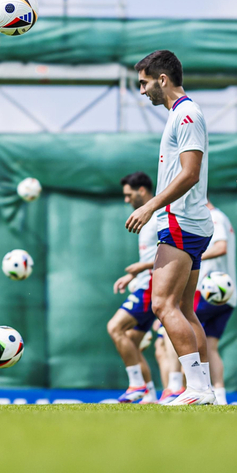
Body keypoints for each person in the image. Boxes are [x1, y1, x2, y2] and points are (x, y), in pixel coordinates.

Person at [124, 50, 215, 406]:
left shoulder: (187, 114)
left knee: (162, 304)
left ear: (162, 79)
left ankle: (197, 388)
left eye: (144, 83)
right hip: (187, 221)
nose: (142, 91)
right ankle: (204, 388)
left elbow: (190, 174)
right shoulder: (180, 114)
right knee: (184, 309)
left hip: (181, 221)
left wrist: (150, 205)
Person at [106, 172, 159, 404]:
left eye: (129, 195)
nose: (126, 200)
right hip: (145, 283)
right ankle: (150, 394)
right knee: (131, 341)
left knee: (115, 327)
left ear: (142, 191)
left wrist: (141, 269)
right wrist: (133, 275)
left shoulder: (158, 216)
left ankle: (137, 385)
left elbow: (172, 251)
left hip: (151, 287)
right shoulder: (147, 218)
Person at [195, 199, 237, 404]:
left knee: (179, 329)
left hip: (212, 291)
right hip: (225, 294)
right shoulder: (221, 217)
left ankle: (181, 387)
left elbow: (221, 247)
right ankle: (219, 395)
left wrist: (194, 256)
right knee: (210, 345)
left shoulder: (214, 217)